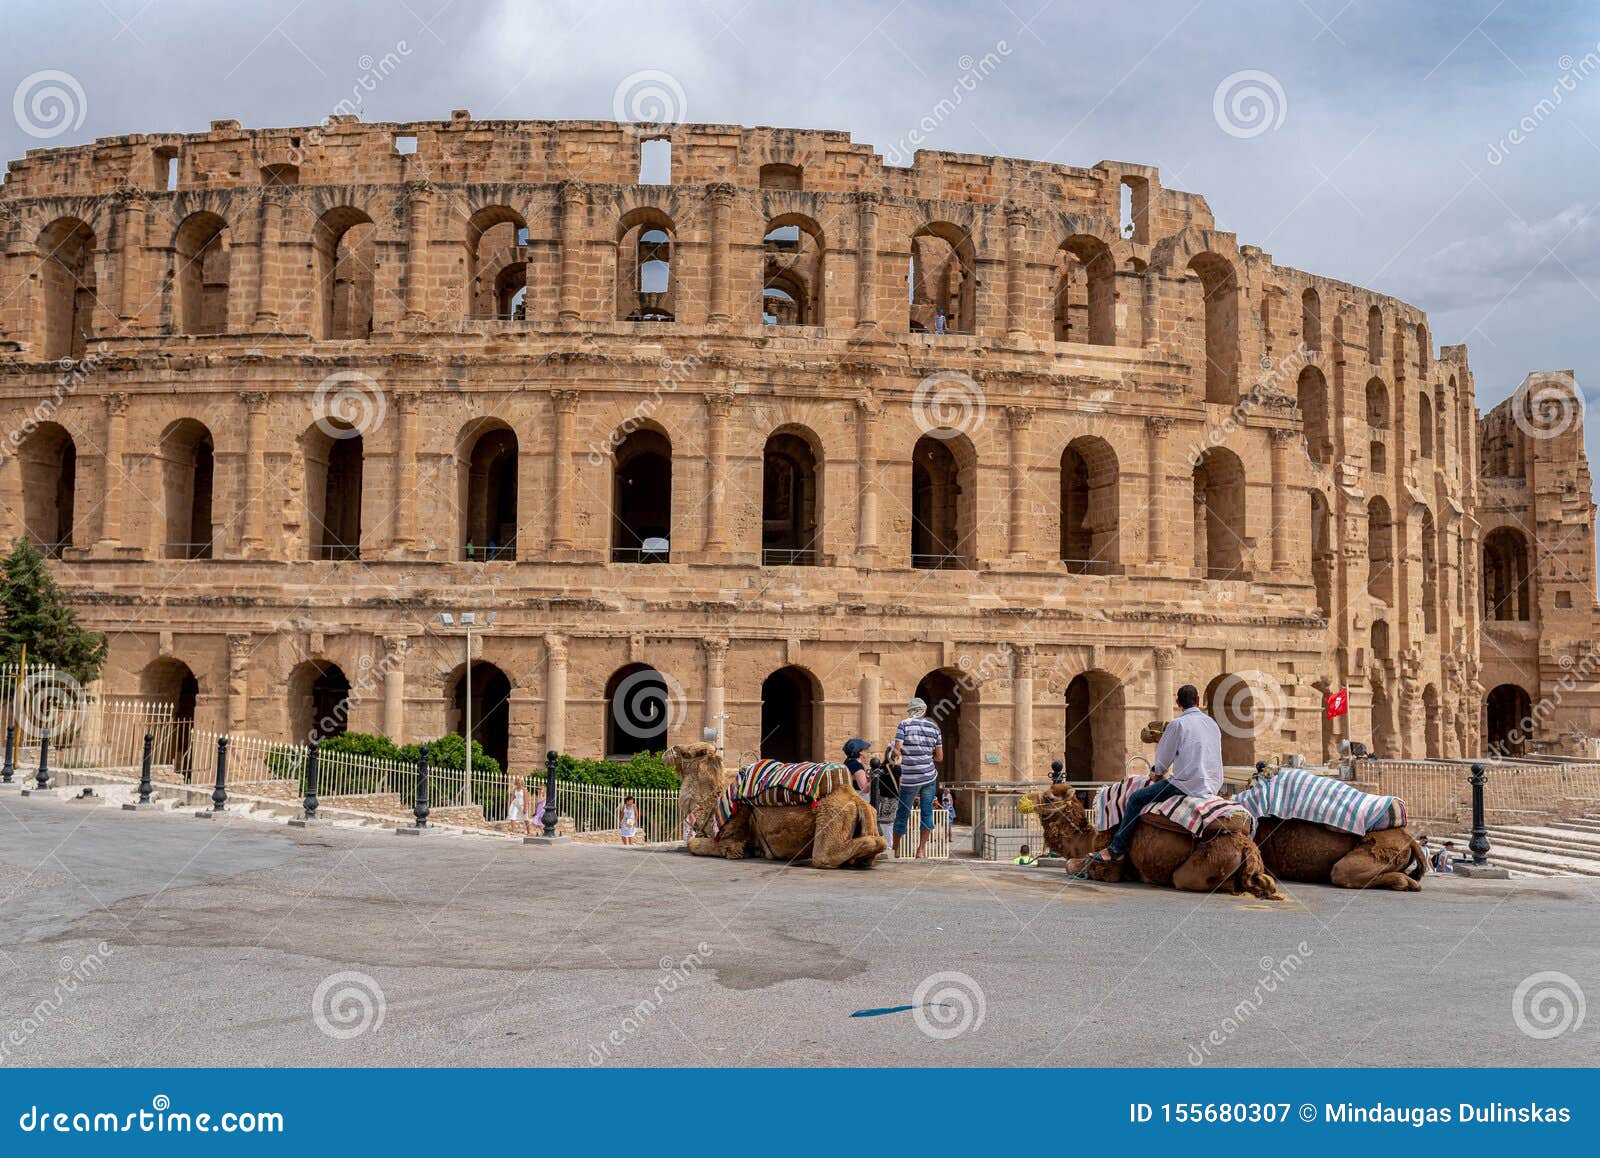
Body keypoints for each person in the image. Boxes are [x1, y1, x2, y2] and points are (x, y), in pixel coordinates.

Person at [1087, 683, 1222, 869]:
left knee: (1135, 799)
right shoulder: (1212, 724)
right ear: (1198, 701)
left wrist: (1156, 772)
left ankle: (1116, 850)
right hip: (1213, 784)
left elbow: (1163, 761)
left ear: (1178, 703)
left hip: (1185, 785)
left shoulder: (1178, 724)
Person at [887, 697, 943, 858]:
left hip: (910, 777)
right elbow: (939, 757)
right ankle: (921, 850)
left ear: (910, 710)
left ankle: (895, 850)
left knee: (903, 812)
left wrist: (898, 755)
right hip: (929, 775)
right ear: (924, 710)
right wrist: (925, 757)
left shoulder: (904, 724)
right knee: (927, 812)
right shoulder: (934, 727)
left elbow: (897, 751)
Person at [873, 756, 899, 844]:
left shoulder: (880, 768)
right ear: (896, 757)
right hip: (893, 798)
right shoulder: (898, 769)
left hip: (882, 799)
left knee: (883, 822)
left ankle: (884, 844)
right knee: (890, 824)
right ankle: (889, 845)